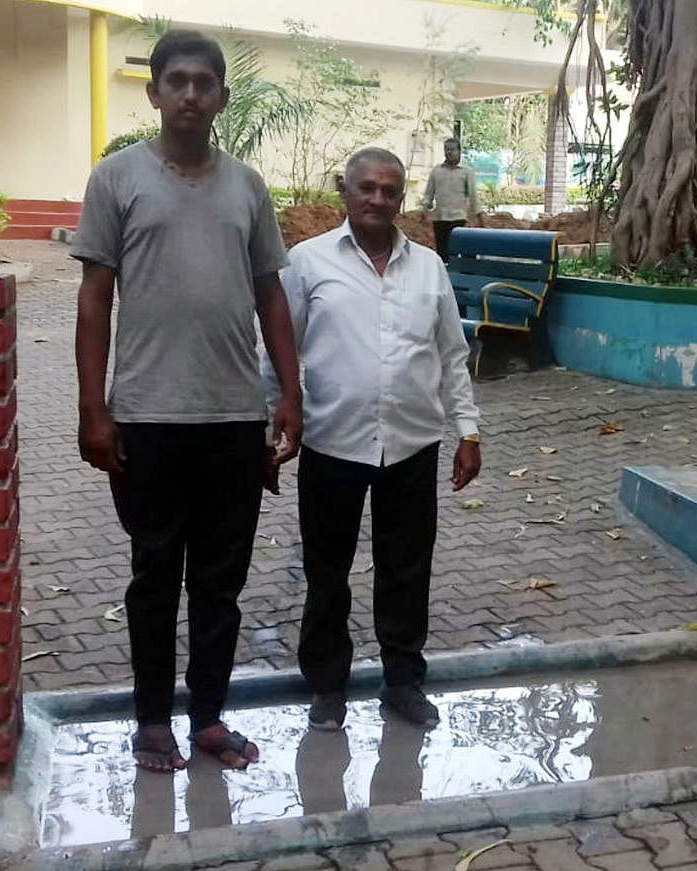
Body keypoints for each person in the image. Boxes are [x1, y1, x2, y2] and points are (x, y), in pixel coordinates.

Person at [73, 29, 302, 773]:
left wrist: (289, 393)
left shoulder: (247, 186)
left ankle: (206, 716)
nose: (192, 94)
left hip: (233, 418)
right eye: (178, 81)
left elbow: (271, 292)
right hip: (146, 416)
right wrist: (93, 408)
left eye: (206, 83)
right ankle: (150, 721)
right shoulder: (116, 179)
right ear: (155, 92)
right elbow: (93, 297)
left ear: (222, 98)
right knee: (154, 574)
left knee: (220, 583)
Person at [262, 147, 482, 732]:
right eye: (367, 188)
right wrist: (274, 423)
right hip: (332, 444)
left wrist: (467, 429)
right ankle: (328, 687)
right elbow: (278, 356)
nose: (378, 200)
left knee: (406, 569)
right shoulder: (307, 263)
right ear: (346, 191)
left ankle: (402, 681)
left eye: (389, 191)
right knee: (327, 571)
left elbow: (451, 355)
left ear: (402, 198)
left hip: (412, 445)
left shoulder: (429, 267)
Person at [421, 138, 484, 263]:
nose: (449, 152)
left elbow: (473, 197)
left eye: (452, 149)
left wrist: (480, 218)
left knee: (463, 254)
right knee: (443, 257)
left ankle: (463, 279)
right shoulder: (436, 171)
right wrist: (424, 211)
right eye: (447, 149)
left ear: (459, 151)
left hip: (459, 220)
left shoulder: (466, 172)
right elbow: (428, 194)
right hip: (440, 220)